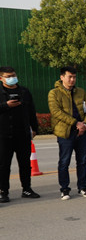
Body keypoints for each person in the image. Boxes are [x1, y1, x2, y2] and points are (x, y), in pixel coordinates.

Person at [48, 66, 86, 200]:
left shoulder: (81, 92)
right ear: (62, 77)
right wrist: (75, 123)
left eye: (74, 77)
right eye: (69, 77)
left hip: (82, 132)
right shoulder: (54, 93)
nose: (72, 80)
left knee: (82, 161)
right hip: (65, 133)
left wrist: (84, 124)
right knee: (64, 162)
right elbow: (56, 112)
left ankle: (82, 187)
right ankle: (64, 189)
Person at [0, 66, 40, 202]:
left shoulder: (24, 91)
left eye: (13, 75)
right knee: (4, 164)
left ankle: (27, 189)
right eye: (8, 76)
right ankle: (3, 191)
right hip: (4, 135)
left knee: (24, 163)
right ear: (1, 78)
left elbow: (31, 110)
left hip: (22, 133)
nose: (12, 78)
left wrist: (34, 128)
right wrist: (6, 105)